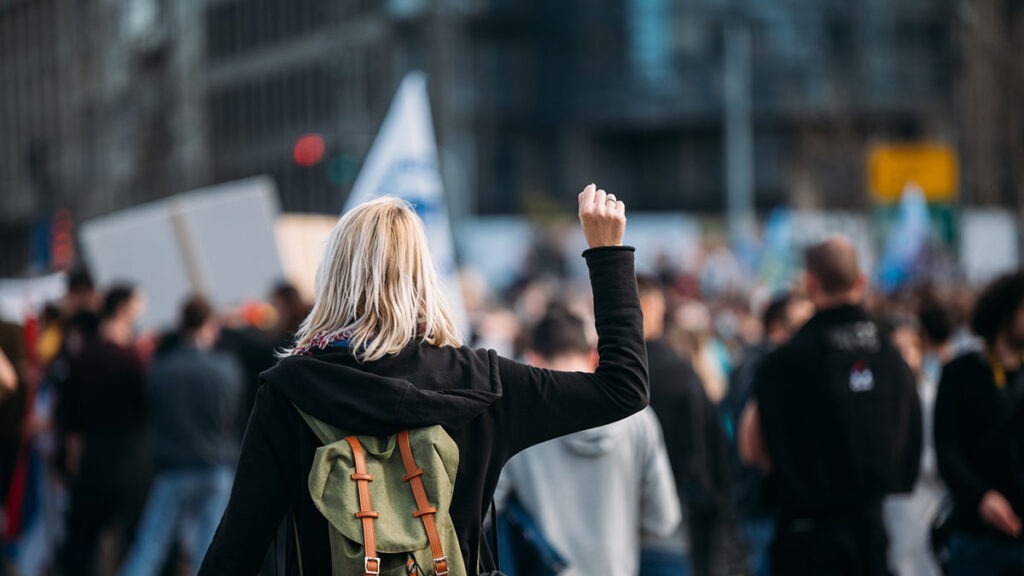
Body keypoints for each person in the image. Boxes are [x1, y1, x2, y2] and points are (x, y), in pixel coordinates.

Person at [199, 186, 649, 575]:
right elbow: (622, 388)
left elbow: (235, 554)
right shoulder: (484, 383)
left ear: (333, 277)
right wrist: (607, 255)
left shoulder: (290, 390)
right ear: (424, 279)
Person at [738, 236, 922, 576]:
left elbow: (752, 448)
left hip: (805, 536)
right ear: (861, 281)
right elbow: (911, 435)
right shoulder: (892, 356)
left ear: (810, 283)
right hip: (871, 535)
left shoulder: (785, 361)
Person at [494, 306, 681, 576]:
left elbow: (488, 508)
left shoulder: (519, 422)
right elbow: (662, 519)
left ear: (532, 360)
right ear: (593, 357)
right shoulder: (638, 419)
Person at [120, 296, 243, 575]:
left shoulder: (161, 369)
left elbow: (151, 412)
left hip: (173, 464)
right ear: (210, 325)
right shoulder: (226, 368)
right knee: (209, 548)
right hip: (216, 463)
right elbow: (232, 414)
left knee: (150, 546)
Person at [935, 271, 1024, 575]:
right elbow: (947, 450)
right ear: (1006, 312)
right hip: (977, 539)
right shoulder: (960, 373)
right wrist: (981, 497)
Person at [59, 284, 151, 576]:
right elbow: (146, 407)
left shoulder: (82, 354)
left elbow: (69, 416)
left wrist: (73, 457)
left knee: (82, 540)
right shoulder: (135, 359)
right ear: (124, 308)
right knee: (138, 539)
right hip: (132, 457)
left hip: (92, 456)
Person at [724, 292, 812, 576]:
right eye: (801, 326)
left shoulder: (759, 363)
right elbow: (751, 444)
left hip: (768, 500)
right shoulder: (763, 367)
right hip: (765, 501)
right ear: (777, 328)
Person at [637, 275, 720, 576]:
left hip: (617, 524)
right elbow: (708, 455)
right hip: (676, 524)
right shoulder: (681, 371)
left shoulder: (600, 372)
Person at [882, 318, 944, 576]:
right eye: (898, 350)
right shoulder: (882, 397)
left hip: (929, 495)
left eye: (910, 348)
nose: (905, 356)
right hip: (895, 499)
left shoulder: (932, 394)